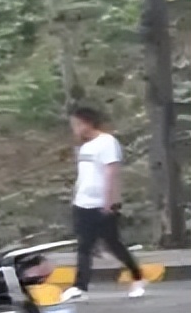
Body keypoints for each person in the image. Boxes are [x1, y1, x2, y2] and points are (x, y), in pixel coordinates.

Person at [60, 105, 146, 302]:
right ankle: (80, 287)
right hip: (82, 203)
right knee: (84, 246)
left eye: (76, 124)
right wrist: (76, 196)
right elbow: (84, 176)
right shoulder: (85, 147)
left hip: (102, 202)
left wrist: (110, 200)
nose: (74, 129)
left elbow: (112, 172)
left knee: (113, 244)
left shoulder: (107, 142)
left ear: (87, 123)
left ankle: (137, 277)